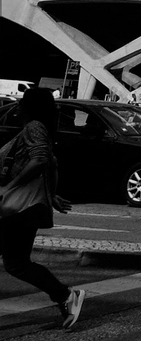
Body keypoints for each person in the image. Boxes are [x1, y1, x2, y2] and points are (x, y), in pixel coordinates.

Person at [0, 88, 86, 329]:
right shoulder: (41, 129)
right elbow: (52, 163)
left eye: (22, 103)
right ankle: (65, 296)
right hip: (22, 207)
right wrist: (52, 195)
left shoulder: (34, 127)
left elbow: (41, 159)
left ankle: (65, 295)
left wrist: (9, 188)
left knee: (17, 263)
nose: (17, 106)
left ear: (29, 107)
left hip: (16, 208)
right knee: (17, 263)